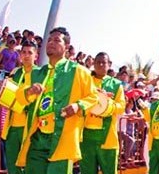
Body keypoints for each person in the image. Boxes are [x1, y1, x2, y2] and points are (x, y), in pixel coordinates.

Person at [15, 27, 98, 174]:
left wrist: (77, 106)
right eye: (49, 40)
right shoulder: (36, 73)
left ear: (66, 47)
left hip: (62, 138)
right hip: (37, 137)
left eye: (57, 40)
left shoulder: (79, 71)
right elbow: (20, 97)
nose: (51, 43)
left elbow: (93, 97)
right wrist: (29, 91)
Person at [80, 53, 125, 174]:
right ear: (93, 64)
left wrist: (107, 103)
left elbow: (121, 107)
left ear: (109, 64)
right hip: (86, 137)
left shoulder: (116, 84)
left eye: (103, 62)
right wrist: (95, 95)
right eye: (98, 62)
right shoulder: (86, 81)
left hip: (107, 138)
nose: (100, 65)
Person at [1, 40, 36, 174]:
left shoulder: (39, 74)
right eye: (24, 52)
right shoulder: (15, 73)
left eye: (30, 52)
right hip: (12, 126)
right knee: (12, 165)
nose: (26, 55)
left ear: (36, 55)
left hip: (29, 127)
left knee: (28, 166)